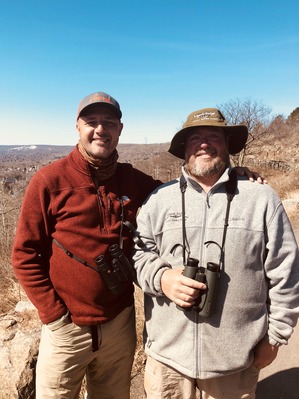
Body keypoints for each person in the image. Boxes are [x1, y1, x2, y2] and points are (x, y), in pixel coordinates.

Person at [11, 93, 265, 399]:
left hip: (119, 322)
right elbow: (24, 254)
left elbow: (182, 191)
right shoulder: (49, 181)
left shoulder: (131, 179)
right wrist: (54, 315)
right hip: (67, 328)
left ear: (120, 129)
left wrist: (229, 177)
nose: (100, 129)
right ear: (77, 127)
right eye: (91, 122)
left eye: (109, 122)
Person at [133, 107, 299, 399]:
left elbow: (285, 272)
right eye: (195, 138)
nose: (204, 143)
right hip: (167, 359)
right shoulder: (159, 200)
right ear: (184, 149)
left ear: (227, 146)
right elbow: (138, 255)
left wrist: (275, 338)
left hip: (235, 362)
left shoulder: (260, 199)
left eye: (214, 137)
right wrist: (162, 279)